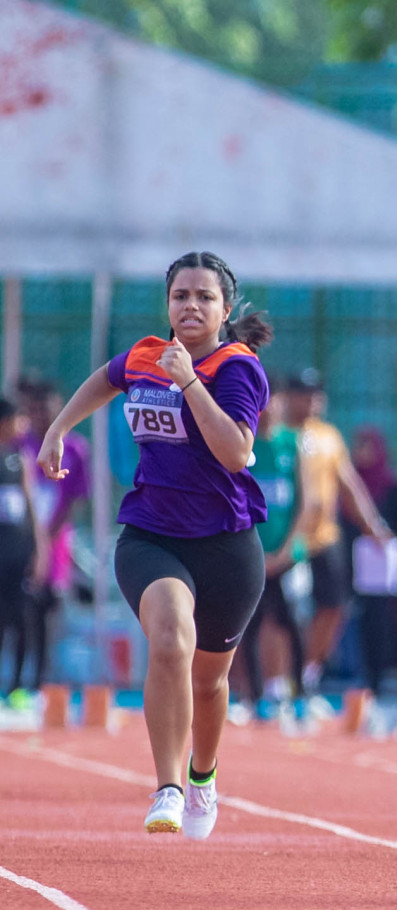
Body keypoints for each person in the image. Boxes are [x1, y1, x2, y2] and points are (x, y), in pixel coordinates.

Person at [36, 251, 271, 836]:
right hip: (151, 535)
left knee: (211, 680)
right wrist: (60, 428)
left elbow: (237, 453)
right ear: (167, 303)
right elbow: (105, 380)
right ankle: (166, 786)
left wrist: (188, 380)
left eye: (204, 297)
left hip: (226, 545)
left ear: (224, 308)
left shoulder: (237, 368)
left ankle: (202, 776)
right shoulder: (144, 356)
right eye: (181, 296)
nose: (191, 306)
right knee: (170, 638)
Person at [284, 370, 390, 716]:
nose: (313, 401)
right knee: (285, 614)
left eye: (317, 394)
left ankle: (308, 674)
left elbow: (349, 484)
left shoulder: (329, 437)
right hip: (285, 540)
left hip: (324, 538)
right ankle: (278, 682)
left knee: (334, 608)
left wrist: (372, 524)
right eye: (305, 393)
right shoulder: (276, 432)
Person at [232, 383, 310, 724]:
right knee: (248, 625)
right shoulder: (243, 446)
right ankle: (256, 697)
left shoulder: (292, 445)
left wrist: (286, 550)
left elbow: (304, 503)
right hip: (252, 555)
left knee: (291, 623)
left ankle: (300, 695)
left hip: (285, 556)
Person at [16, 377, 90, 701]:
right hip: (20, 541)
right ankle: (18, 680)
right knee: (18, 607)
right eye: (34, 410)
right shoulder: (18, 447)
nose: (40, 416)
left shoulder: (74, 449)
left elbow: (74, 497)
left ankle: (40, 682)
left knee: (46, 608)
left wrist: (48, 536)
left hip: (55, 541)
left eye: (46, 409)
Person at [347, 425, 397, 697]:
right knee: (358, 618)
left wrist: (383, 535)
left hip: (381, 565)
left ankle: (381, 674)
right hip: (355, 561)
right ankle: (361, 673)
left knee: (382, 618)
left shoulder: (391, 484)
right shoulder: (351, 483)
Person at [1, 397, 48, 702]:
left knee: (21, 618)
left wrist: (40, 549)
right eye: (18, 419)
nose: (23, 426)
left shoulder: (21, 458)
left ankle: (17, 686)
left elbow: (31, 504)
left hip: (18, 550)